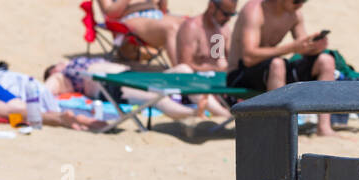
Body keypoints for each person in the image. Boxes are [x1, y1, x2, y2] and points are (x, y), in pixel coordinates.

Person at [226, 0, 338, 134]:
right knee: (278, 64)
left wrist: (315, 47)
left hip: (273, 70)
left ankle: (324, 127)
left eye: (304, 0)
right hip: (240, 73)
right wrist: (292, 48)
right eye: (297, 0)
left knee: (326, 61)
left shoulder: (294, 14)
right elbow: (248, 57)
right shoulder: (255, 10)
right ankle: (279, 130)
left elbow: (302, 47)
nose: (300, 4)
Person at [43, 56, 226, 120]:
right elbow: (44, 91)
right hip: (111, 85)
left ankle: (221, 112)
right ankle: (194, 114)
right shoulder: (61, 75)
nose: (59, 64)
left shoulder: (72, 63)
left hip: (131, 74)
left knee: (184, 71)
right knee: (157, 98)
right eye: (55, 66)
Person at [177, 0, 237, 71]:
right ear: (211, 7)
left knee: (224, 62)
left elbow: (232, 60)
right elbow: (185, 64)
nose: (228, 19)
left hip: (213, 79)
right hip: (191, 79)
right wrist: (215, 70)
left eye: (232, 14)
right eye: (225, 14)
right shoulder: (192, 28)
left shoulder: (224, 29)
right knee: (184, 69)